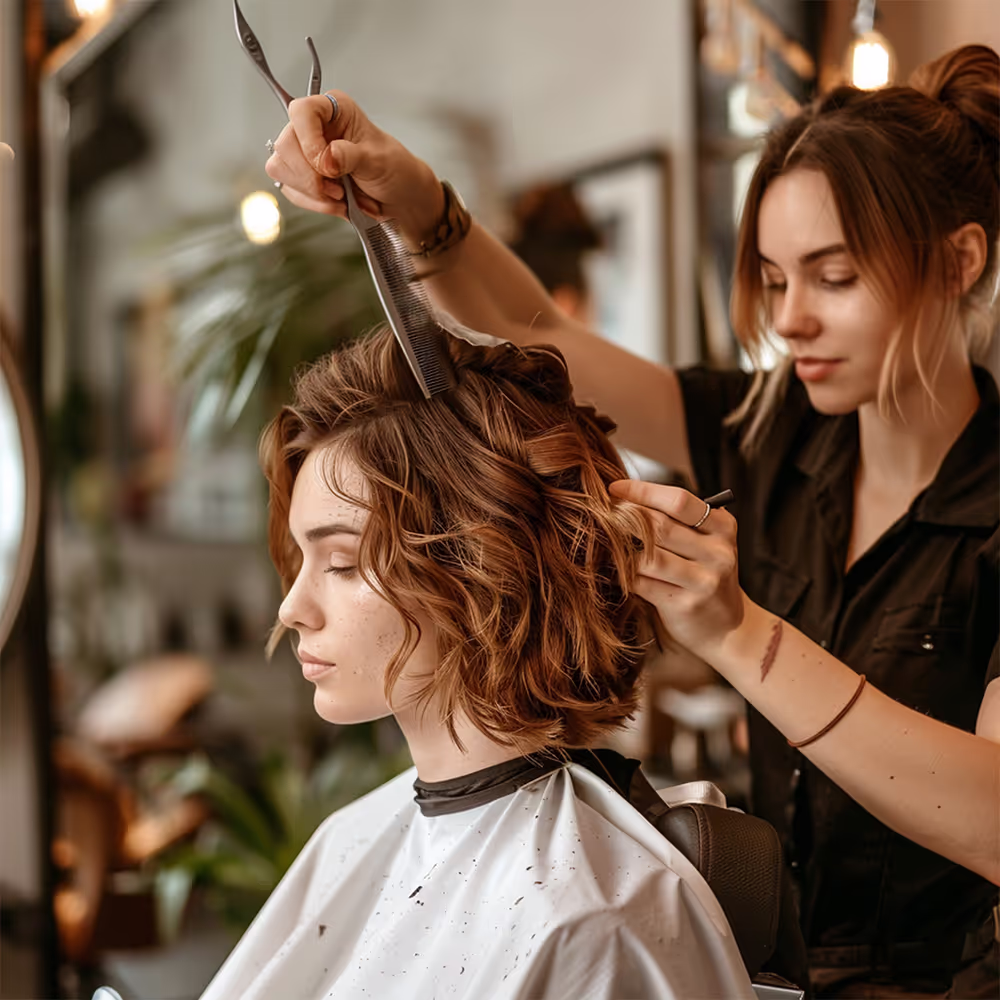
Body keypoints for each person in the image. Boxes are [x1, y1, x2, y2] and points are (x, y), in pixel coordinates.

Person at [266, 43, 1000, 998]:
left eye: (833, 277)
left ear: (961, 261)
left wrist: (740, 636)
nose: (790, 322)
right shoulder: (769, 432)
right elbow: (539, 333)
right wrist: (410, 201)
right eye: (774, 280)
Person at [198, 325, 755, 1000]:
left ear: (482, 569)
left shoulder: (593, 923)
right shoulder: (348, 840)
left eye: (341, 562)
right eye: (302, 559)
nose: (291, 608)